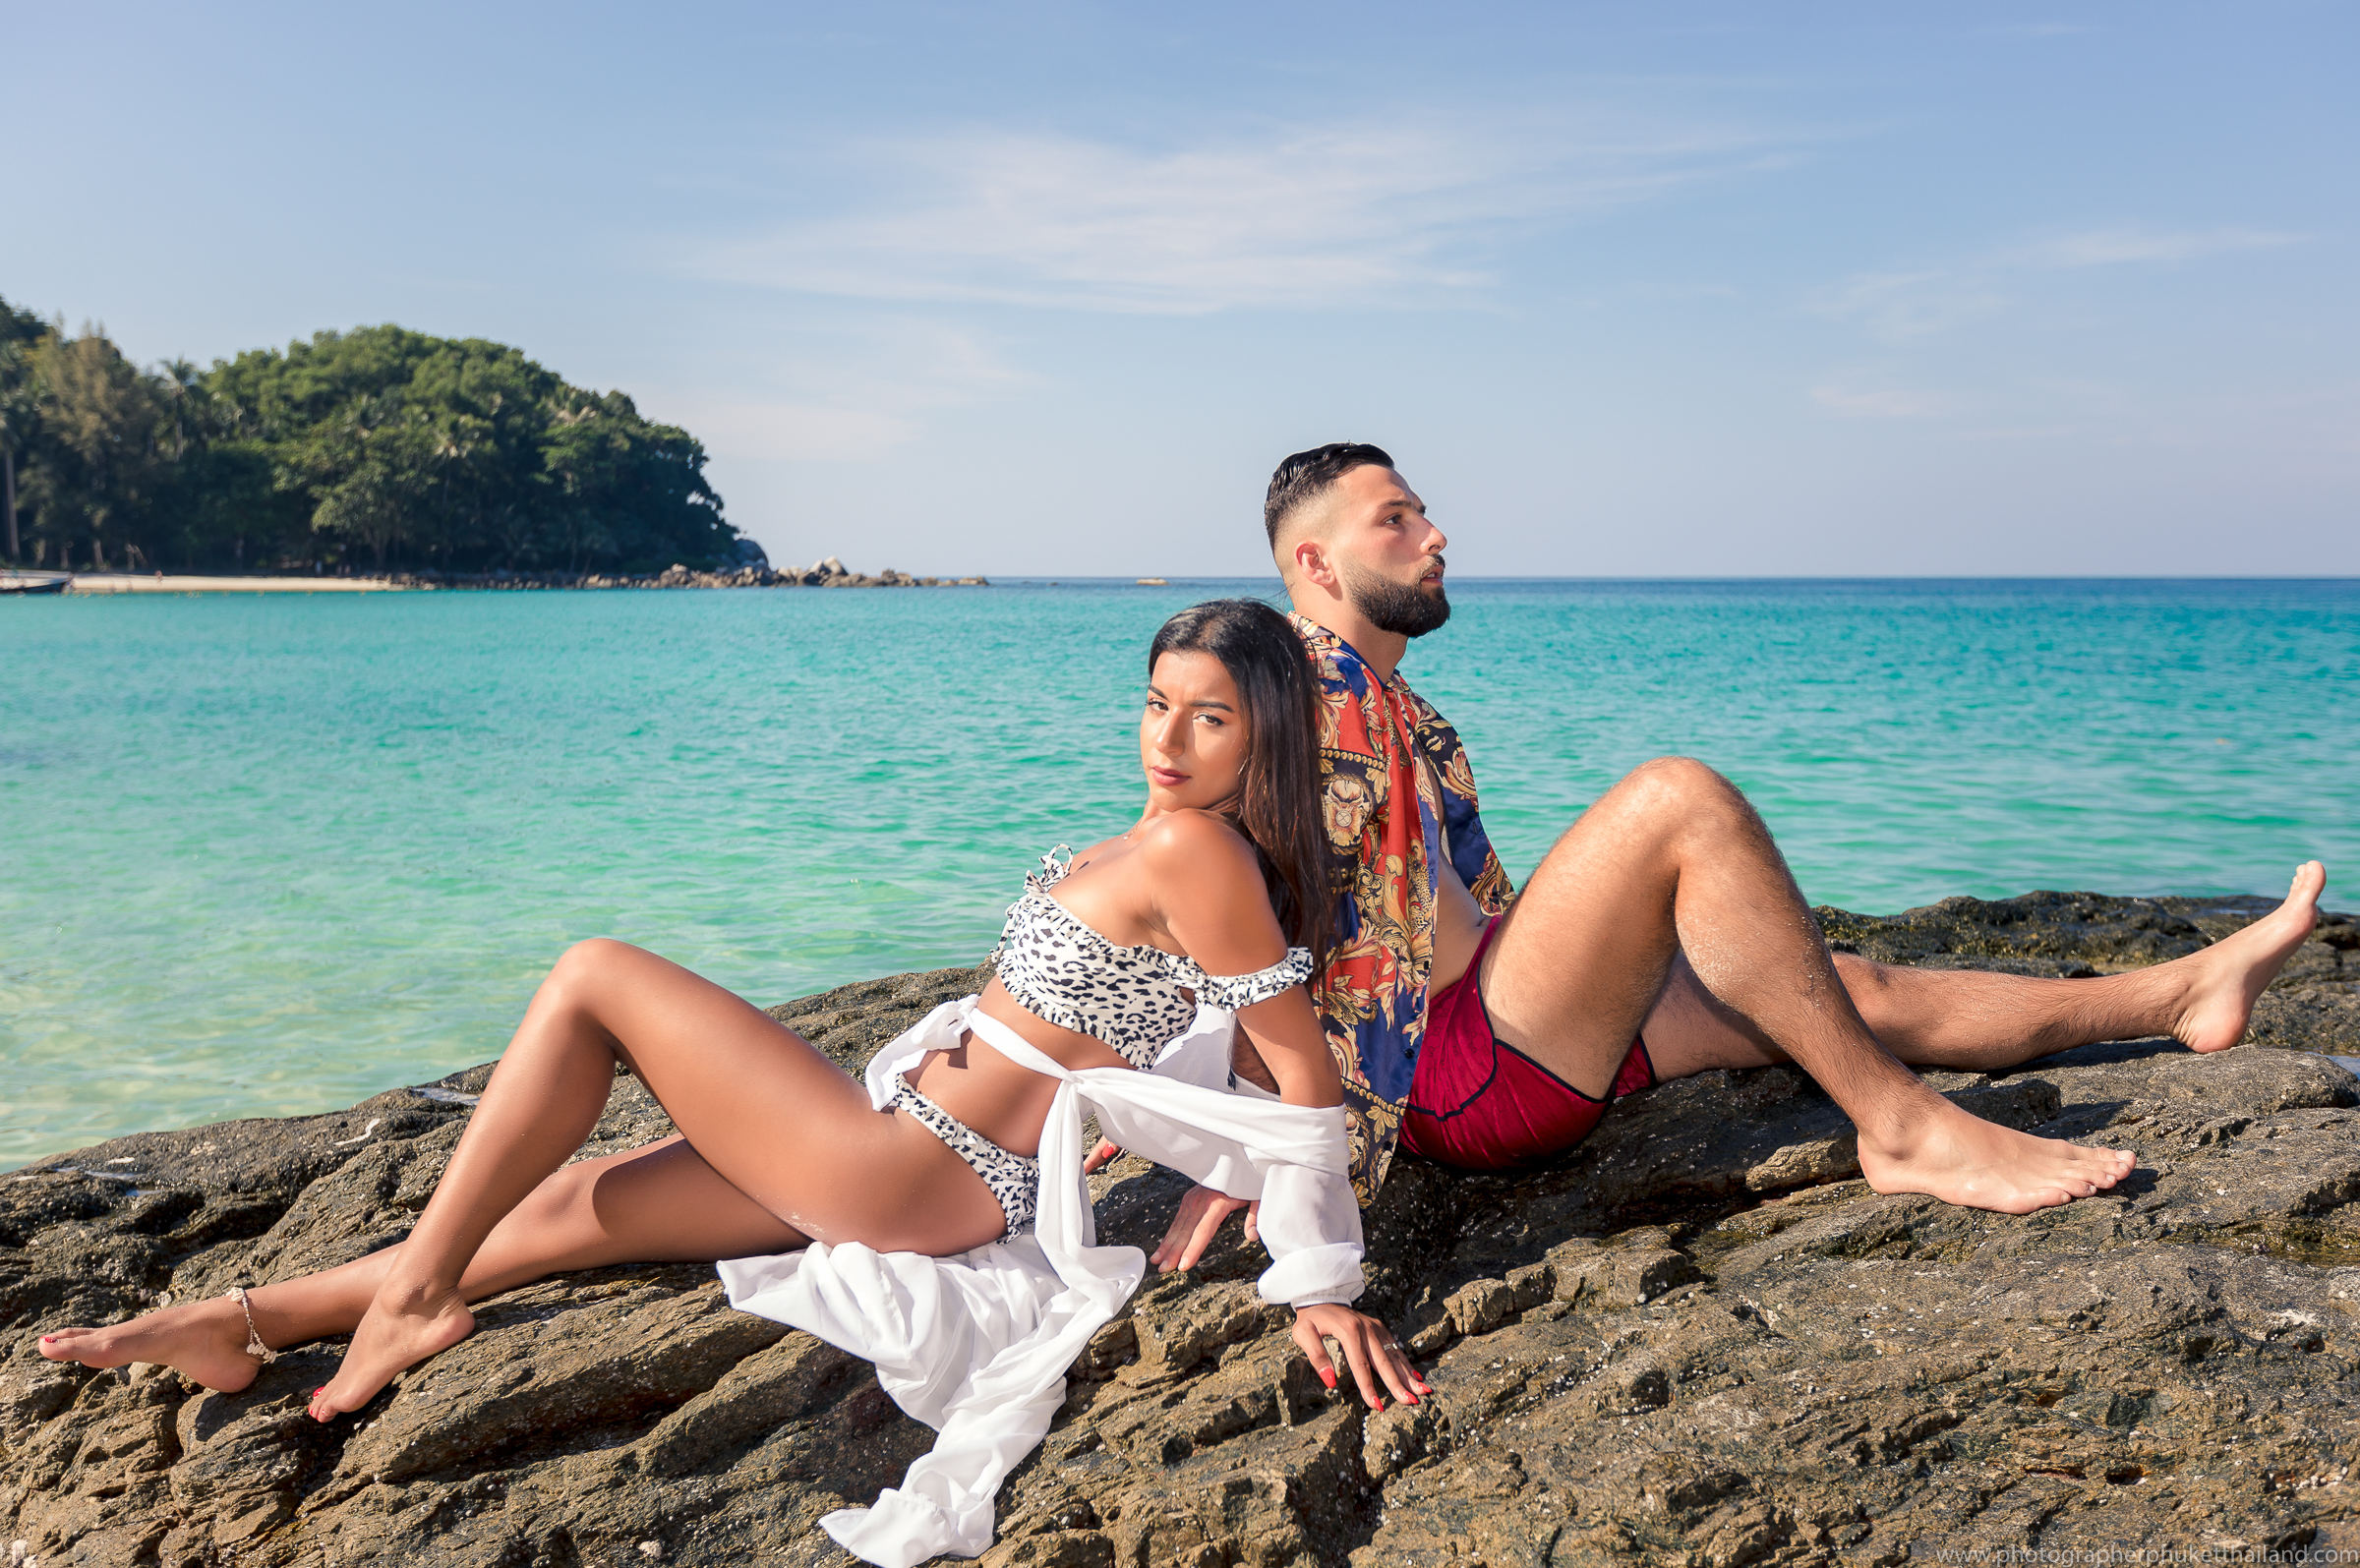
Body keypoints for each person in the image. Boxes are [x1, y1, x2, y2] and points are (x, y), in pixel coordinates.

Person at [38, 599, 1428, 1563]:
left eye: (1213, 721)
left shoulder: (1203, 856)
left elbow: (1298, 1070)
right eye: (1157, 702)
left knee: (592, 977)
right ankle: (246, 1316)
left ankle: (407, 1300)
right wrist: (1194, 1163)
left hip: (919, 1171)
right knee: (583, 1198)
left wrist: (1321, 1277)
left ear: (1266, 738)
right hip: (908, 1137)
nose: (1170, 739)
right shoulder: (1163, 838)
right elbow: (1216, 1035)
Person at [1131, 442, 2329, 1269]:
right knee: (1676, 800)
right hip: (1461, 1072)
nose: (1438, 533)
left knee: (1833, 986)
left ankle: (2177, 993)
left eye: (1425, 511)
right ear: (1316, 566)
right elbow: (1177, 872)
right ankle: (1902, 1128)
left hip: (1511, 1019)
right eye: (1397, 520)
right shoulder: (1294, 689)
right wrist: (1238, 1125)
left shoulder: (1400, 709)